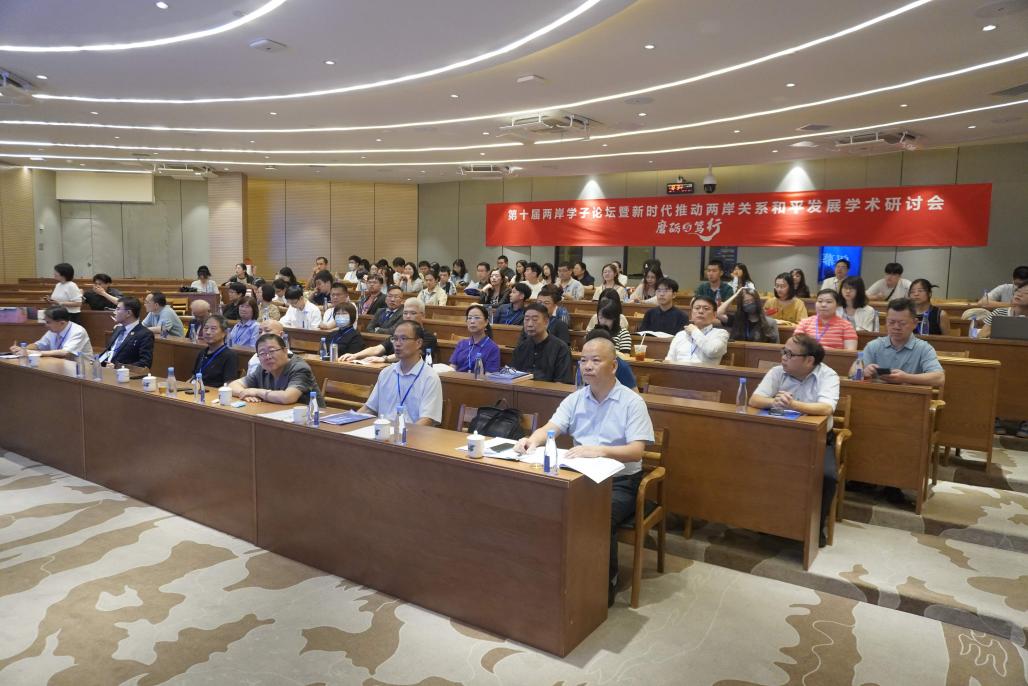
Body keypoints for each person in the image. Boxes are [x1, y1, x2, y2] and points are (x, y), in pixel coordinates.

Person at [514, 336, 654, 607]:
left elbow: (636, 451)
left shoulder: (632, 402)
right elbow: (551, 427)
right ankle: (553, 574)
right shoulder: (576, 398)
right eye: (583, 361)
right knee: (544, 503)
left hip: (620, 480)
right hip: (580, 475)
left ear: (614, 366)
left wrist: (599, 450)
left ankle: (601, 584)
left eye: (595, 360)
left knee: (597, 515)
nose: (587, 366)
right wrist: (532, 440)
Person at [750, 333, 840, 547]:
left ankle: (815, 527)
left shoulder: (828, 375)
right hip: (780, 438)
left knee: (827, 477)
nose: (783, 357)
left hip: (817, 440)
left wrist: (793, 405)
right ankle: (767, 521)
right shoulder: (777, 372)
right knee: (756, 465)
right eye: (784, 351)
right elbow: (754, 399)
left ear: (809, 360)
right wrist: (774, 402)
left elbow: (826, 408)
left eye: (790, 354)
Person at [357, 321, 443, 426]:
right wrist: (348, 422)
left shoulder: (430, 377)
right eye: (395, 339)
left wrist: (402, 433)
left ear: (419, 343)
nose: (397, 344)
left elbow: (427, 420)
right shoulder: (386, 372)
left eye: (403, 339)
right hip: (383, 432)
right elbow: (369, 408)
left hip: (413, 434)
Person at [859, 298, 945, 387]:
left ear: (915, 323)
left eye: (902, 323)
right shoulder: (873, 346)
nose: (896, 327)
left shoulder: (924, 349)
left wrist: (906, 378)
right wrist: (864, 372)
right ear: (886, 321)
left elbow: (939, 378)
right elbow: (853, 373)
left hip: (910, 395)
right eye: (891, 322)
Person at [231, 333, 323, 406]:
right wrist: (245, 394)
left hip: (312, 418)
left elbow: (288, 397)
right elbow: (232, 386)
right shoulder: (262, 368)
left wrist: (256, 392)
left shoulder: (300, 368)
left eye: (272, 351)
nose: (268, 357)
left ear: (285, 351)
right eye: (262, 353)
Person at [342, 298, 438, 363]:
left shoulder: (428, 337)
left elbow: (409, 354)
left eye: (413, 313)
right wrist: (355, 355)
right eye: (405, 313)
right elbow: (377, 349)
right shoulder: (397, 334)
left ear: (422, 315)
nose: (408, 316)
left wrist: (385, 359)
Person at [511, 303, 573, 383]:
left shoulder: (561, 348)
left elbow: (562, 383)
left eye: (535, 320)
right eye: (526, 319)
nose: (529, 324)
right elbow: (512, 375)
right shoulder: (521, 348)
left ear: (546, 322)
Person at [665, 295, 729, 365]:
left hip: (704, 371)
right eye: (697, 308)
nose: (700, 311)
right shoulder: (680, 335)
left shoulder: (721, 333)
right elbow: (669, 360)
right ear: (692, 313)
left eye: (706, 308)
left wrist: (694, 331)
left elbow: (712, 351)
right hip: (678, 371)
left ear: (714, 315)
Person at [9, 306, 92, 359]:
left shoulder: (78, 331)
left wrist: (37, 353)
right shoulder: (53, 330)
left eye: (48, 322)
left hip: (83, 368)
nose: (45, 325)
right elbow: (38, 345)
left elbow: (65, 353)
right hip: (61, 364)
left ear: (62, 323)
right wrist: (23, 349)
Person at [97, 297, 154, 368]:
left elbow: (145, 363)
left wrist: (118, 367)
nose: (114, 312)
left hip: (123, 373)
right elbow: (109, 351)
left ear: (128, 313)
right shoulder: (117, 329)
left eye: (118, 309)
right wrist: (96, 361)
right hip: (106, 370)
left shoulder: (145, 334)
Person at [450, 304, 501, 373]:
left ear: (486, 322)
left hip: (478, 380)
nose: (472, 321)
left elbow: (489, 376)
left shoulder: (493, 348)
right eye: (469, 318)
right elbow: (452, 368)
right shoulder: (462, 343)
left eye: (477, 318)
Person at [191, 315, 239, 387]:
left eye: (213, 329)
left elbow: (228, 385)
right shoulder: (202, 352)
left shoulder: (230, 356)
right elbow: (194, 376)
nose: (208, 332)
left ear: (224, 333)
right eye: (206, 328)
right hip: (196, 390)